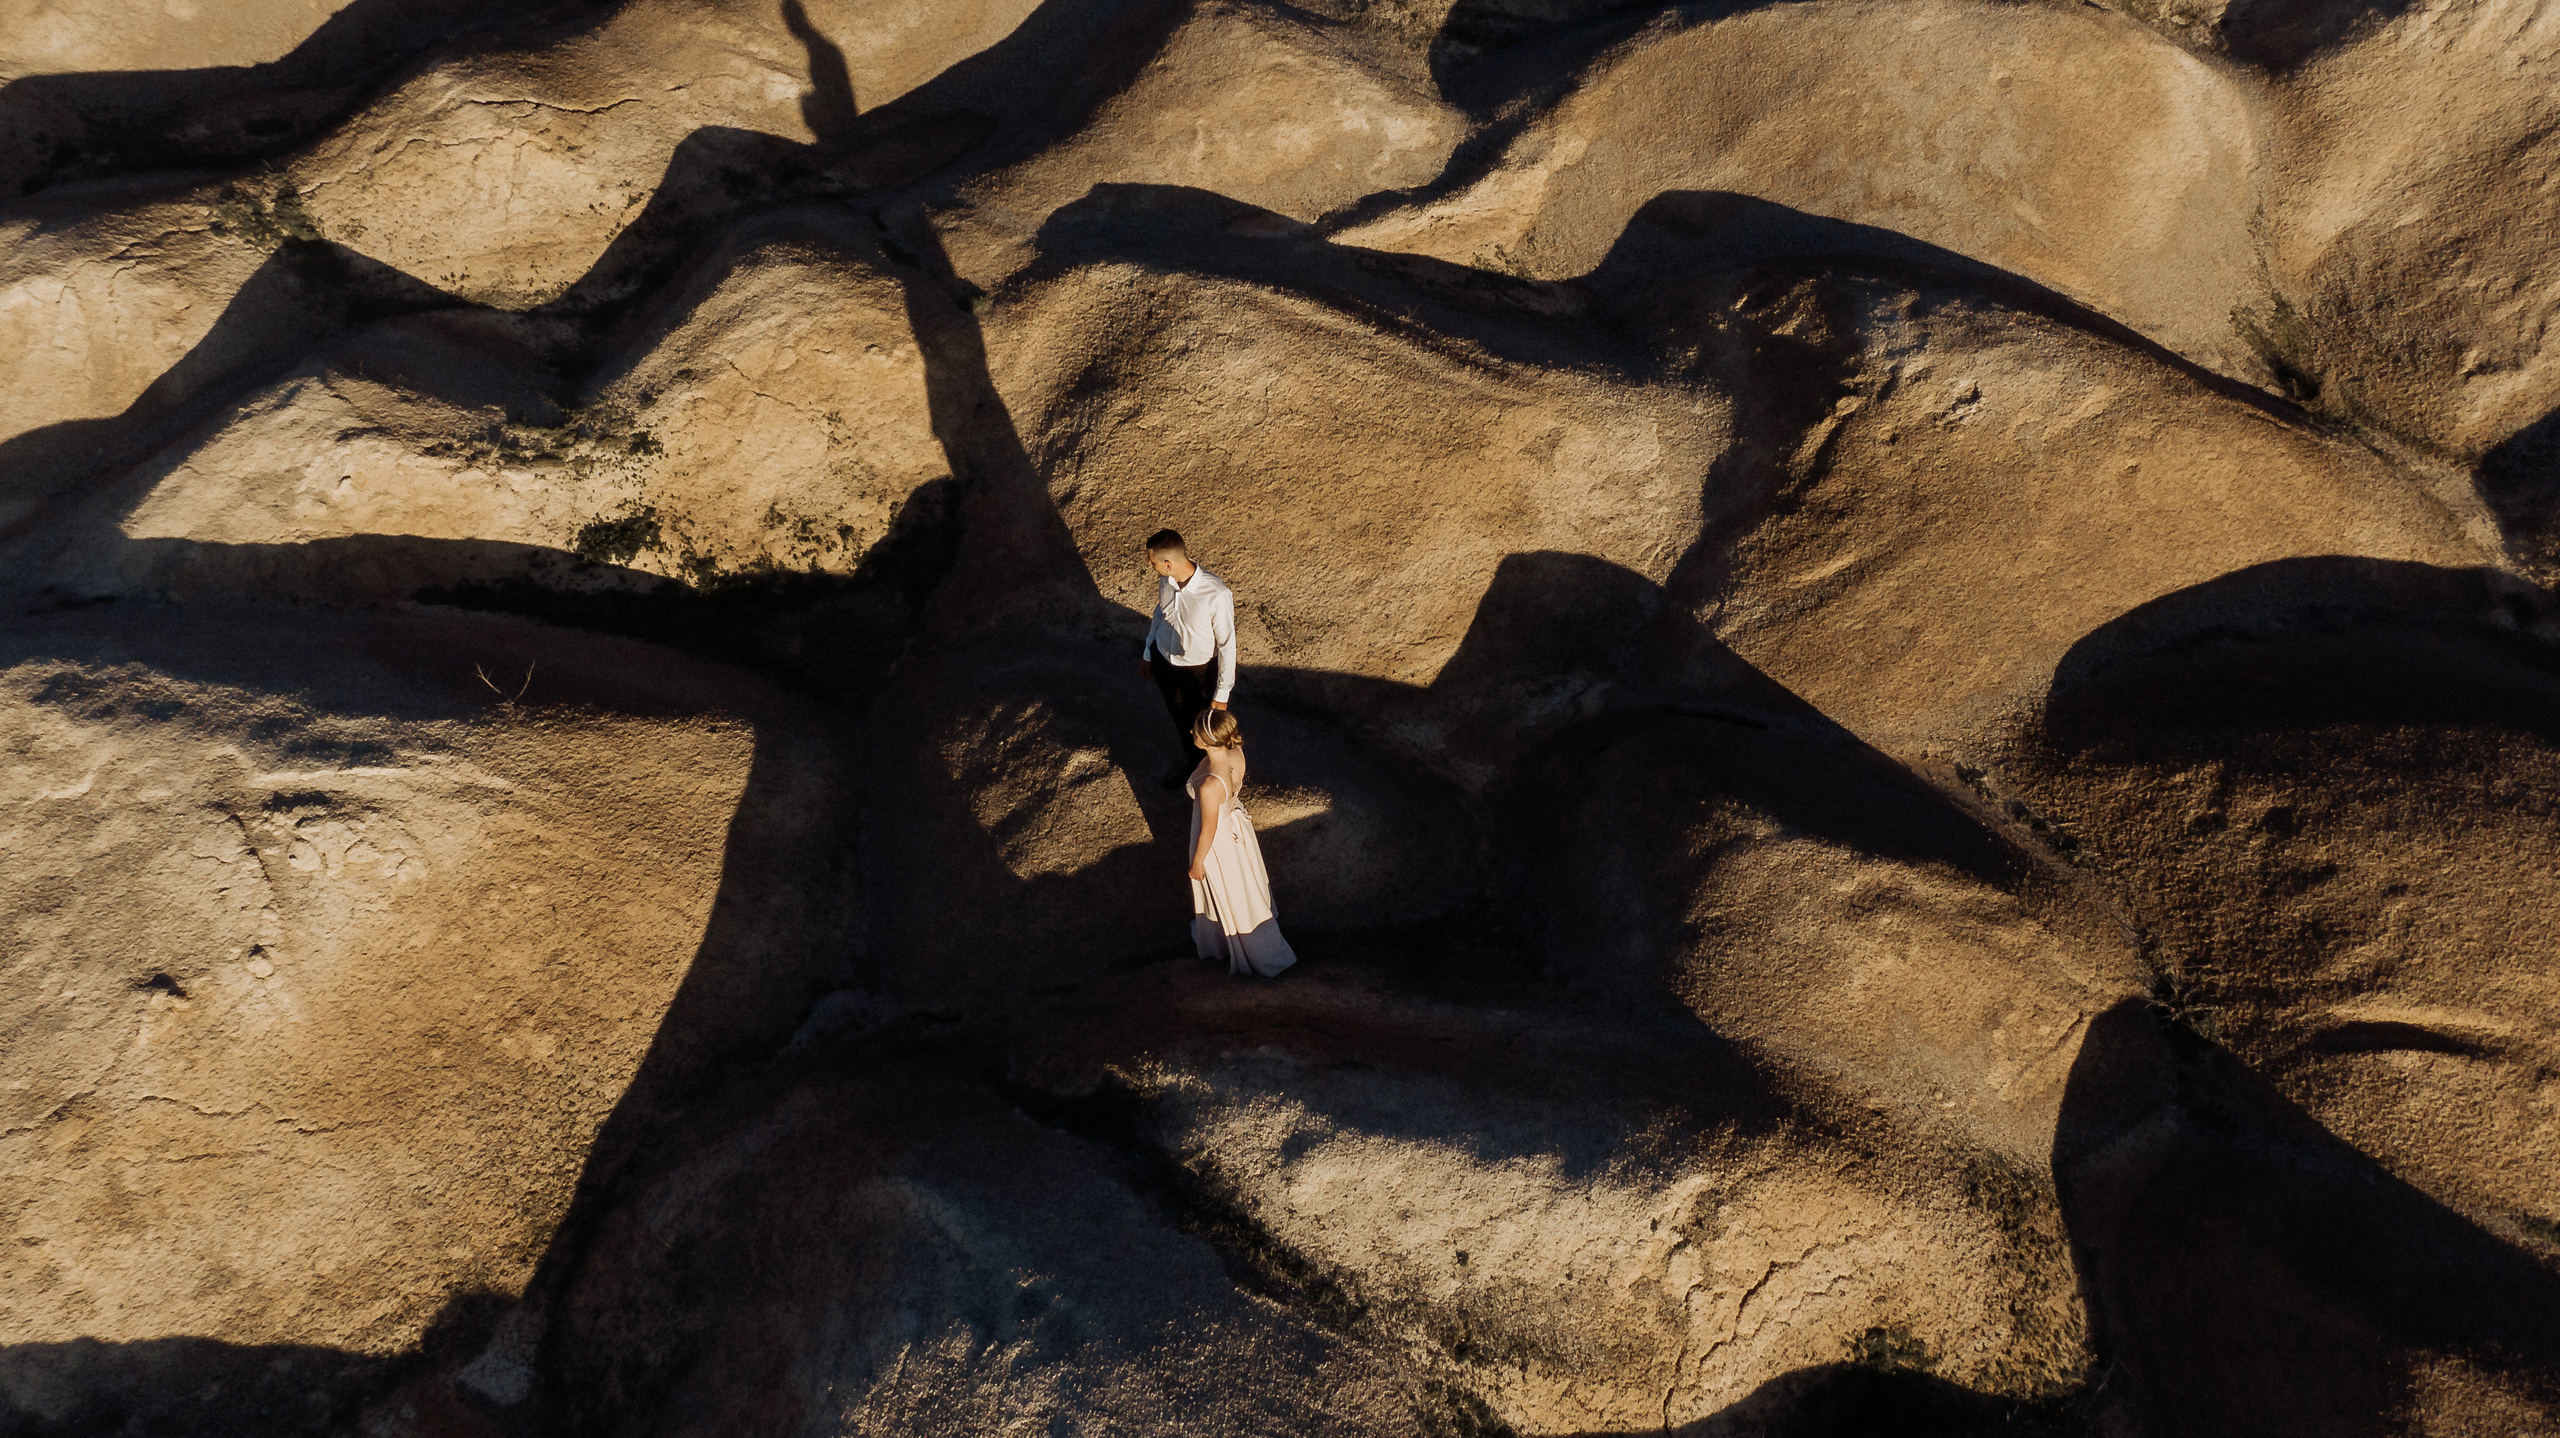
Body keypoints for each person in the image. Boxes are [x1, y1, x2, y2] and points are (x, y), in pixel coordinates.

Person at [1184, 708, 1297, 978]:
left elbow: (1208, 828)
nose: (1191, 732)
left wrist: (1198, 862)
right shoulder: (1235, 754)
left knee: (1227, 891)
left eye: (1196, 730)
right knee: (1242, 888)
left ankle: (1251, 949)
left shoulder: (1210, 784)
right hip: (1237, 830)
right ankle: (1228, 939)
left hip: (1218, 842)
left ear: (1209, 740)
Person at [1137, 528, 1237, 789]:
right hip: (1164, 662)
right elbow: (1161, 616)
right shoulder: (1166, 582)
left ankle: (1217, 782)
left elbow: (1227, 645)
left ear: (1168, 563)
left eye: (1153, 561)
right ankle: (1193, 768)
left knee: (1205, 728)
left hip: (1197, 673)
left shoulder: (1216, 594)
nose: (1150, 565)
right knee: (1181, 720)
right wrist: (1149, 653)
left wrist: (1222, 693)